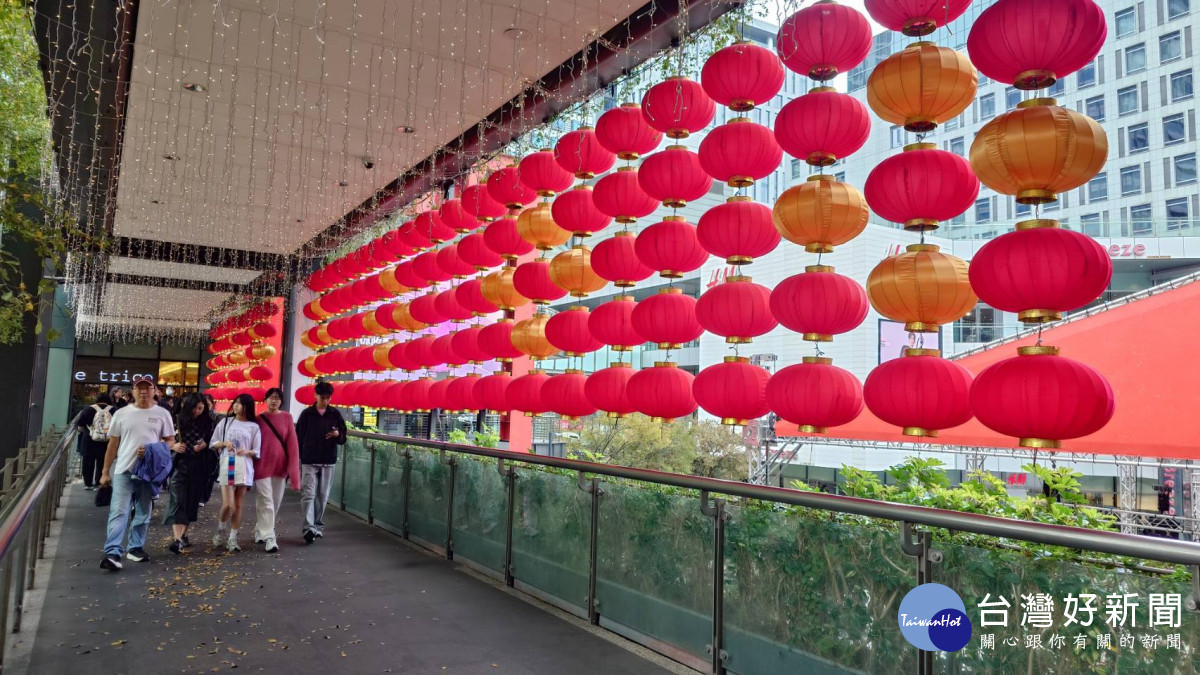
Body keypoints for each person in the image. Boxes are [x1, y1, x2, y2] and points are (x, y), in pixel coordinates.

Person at [99, 379, 176, 570]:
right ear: (132, 391)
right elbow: (113, 444)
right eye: (139, 388)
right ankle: (113, 551)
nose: (143, 392)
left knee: (143, 511)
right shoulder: (122, 413)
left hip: (148, 472)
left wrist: (152, 450)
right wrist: (105, 471)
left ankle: (135, 547)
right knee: (119, 511)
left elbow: (170, 441)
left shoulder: (162, 413)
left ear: (154, 391)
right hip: (124, 469)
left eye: (147, 388)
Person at [163, 393, 215, 553]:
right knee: (178, 498)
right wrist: (174, 446)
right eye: (195, 408)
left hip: (199, 465)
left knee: (192, 500)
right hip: (180, 464)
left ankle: (182, 536)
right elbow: (163, 438)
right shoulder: (177, 419)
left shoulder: (209, 422)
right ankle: (177, 539)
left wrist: (205, 445)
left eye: (201, 408)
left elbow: (214, 441)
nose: (197, 411)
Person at [296, 381, 346, 544]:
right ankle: (308, 528)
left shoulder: (335, 414)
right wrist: (299, 457)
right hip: (309, 459)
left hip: (328, 459)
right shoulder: (307, 414)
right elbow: (298, 436)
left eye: (328, 398)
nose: (325, 401)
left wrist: (337, 434)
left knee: (322, 495)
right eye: (322, 397)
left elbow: (343, 438)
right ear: (315, 395)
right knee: (308, 494)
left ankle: (317, 525)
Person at [210, 393, 261, 552]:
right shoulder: (225, 422)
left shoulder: (254, 426)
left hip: (245, 466)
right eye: (236, 403)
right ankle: (220, 529)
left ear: (247, 406)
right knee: (228, 504)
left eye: (240, 403)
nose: (236, 406)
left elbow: (257, 450)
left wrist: (247, 451)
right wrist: (225, 443)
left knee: (239, 505)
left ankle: (233, 538)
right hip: (229, 463)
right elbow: (214, 442)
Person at [254, 388, 300, 553]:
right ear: (265, 400)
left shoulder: (287, 417)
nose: (274, 401)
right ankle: (269, 536)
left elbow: (292, 444)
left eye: (277, 398)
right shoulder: (258, 419)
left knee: (274, 501)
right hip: (261, 465)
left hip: (280, 466)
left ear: (281, 401)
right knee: (266, 500)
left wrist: (294, 473)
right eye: (271, 398)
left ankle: (260, 528)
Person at [75, 393, 113, 490]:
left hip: (89, 439)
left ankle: (88, 483)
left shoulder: (89, 409)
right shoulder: (113, 410)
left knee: (88, 462)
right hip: (106, 441)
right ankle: (99, 483)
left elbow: (80, 424)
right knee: (102, 462)